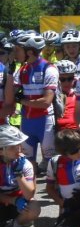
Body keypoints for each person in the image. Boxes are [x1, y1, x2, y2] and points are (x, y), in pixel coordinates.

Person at [10, 33, 58, 167]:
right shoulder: (22, 69)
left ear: (29, 52)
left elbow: (46, 102)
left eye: (18, 50)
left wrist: (22, 101)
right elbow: (11, 93)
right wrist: (8, 72)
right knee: (28, 163)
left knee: (50, 163)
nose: (15, 53)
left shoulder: (49, 68)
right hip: (27, 121)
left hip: (45, 120)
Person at [0, 125, 42, 227]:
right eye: (13, 147)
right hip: (6, 201)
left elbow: (30, 194)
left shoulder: (25, 164)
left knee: (34, 208)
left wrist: (19, 174)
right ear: (1, 150)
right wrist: (13, 200)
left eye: (19, 145)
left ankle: (17, 225)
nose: (18, 149)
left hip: (20, 203)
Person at [54, 60, 80, 131]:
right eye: (62, 79)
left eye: (70, 79)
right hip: (60, 134)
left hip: (79, 132)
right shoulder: (51, 96)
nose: (67, 82)